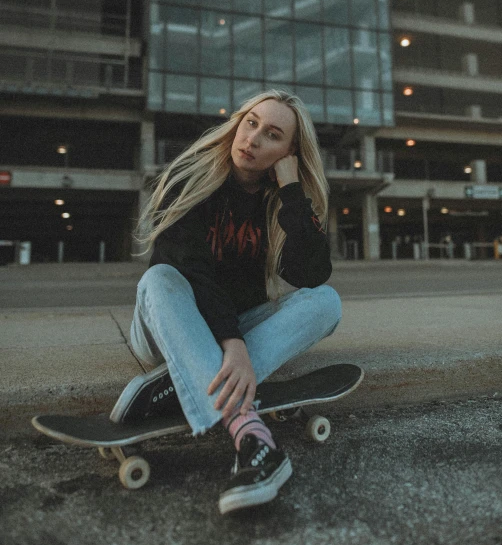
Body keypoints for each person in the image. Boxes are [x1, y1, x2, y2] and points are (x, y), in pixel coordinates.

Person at [110, 89, 342, 514]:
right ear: (237, 122)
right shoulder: (190, 176)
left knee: (326, 303)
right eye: (250, 122)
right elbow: (190, 271)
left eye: (272, 135)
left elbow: (311, 274)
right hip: (170, 329)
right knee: (160, 278)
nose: (252, 138)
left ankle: (176, 387)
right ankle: (249, 433)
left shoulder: (278, 202)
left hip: (234, 329)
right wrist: (232, 344)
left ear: (289, 152)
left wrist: (291, 192)